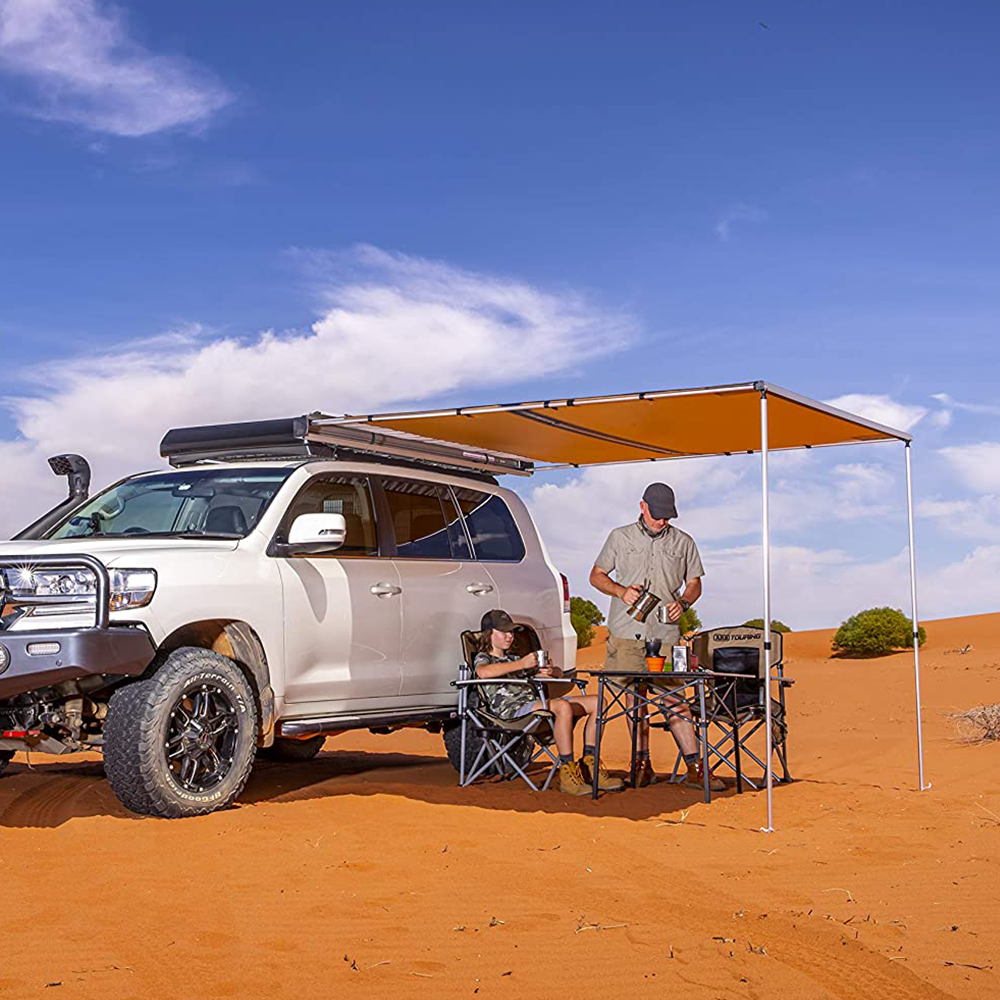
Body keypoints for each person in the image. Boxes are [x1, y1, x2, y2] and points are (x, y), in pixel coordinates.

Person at [589, 482, 724, 791]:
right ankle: (640, 765)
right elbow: (596, 575)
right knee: (632, 703)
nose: (662, 522)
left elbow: (695, 583)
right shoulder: (619, 537)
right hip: (626, 634)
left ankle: (695, 767)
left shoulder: (684, 542)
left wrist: (684, 603)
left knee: (674, 700)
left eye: (668, 517)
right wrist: (620, 591)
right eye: (657, 515)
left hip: (664, 637)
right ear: (642, 506)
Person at [473, 609, 624, 796]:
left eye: (511, 632)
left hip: (536, 705)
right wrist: (522, 665)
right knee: (561, 706)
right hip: (512, 712)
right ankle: (567, 772)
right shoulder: (484, 657)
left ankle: (589, 766)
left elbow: (557, 673)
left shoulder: (514, 658)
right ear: (489, 634)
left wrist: (551, 672)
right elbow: (483, 673)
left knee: (598, 702)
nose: (509, 636)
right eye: (503, 632)